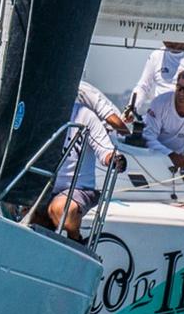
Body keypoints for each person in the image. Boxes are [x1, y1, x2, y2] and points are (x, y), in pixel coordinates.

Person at [36, 103, 123, 241]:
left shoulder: (84, 115)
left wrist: (114, 158)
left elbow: (104, 149)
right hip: (41, 187)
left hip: (78, 189)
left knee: (60, 209)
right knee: (22, 211)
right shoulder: (37, 112)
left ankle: (76, 241)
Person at [130, 41, 184, 115]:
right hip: (159, 118)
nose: (168, 42)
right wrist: (132, 107)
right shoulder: (156, 55)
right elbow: (143, 87)